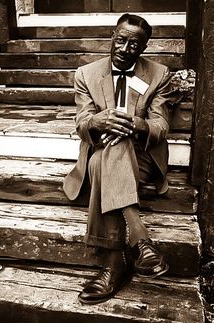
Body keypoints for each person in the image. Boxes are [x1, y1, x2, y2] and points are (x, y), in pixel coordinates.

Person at [63, 13, 171, 305]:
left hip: (142, 157)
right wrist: (99, 121)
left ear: (143, 48)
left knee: (113, 147)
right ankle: (139, 241)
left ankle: (113, 265)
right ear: (113, 36)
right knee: (104, 156)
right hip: (102, 151)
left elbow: (160, 126)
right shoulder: (86, 74)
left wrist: (135, 124)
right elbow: (82, 122)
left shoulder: (158, 74)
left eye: (134, 45)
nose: (125, 49)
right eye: (121, 40)